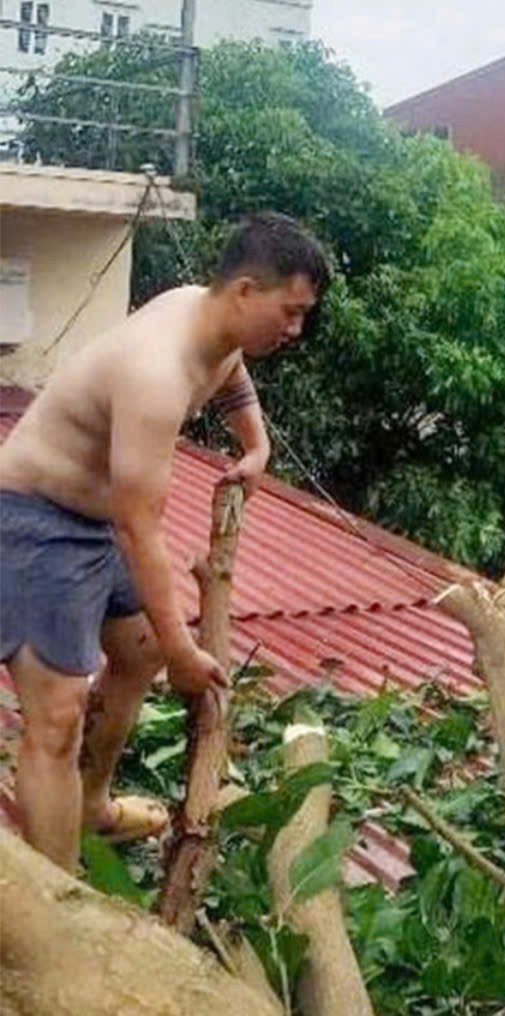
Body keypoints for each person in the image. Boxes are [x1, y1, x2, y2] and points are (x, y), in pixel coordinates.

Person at [0, 211, 329, 872]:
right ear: (243, 291)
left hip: (97, 521)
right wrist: (187, 651)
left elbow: (231, 372)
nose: (295, 330)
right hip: (35, 522)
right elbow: (139, 525)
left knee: (140, 648)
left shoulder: (205, 316)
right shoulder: (155, 373)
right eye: (289, 312)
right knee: (55, 721)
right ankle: (60, 908)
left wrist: (256, 444)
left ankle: (90, 806)